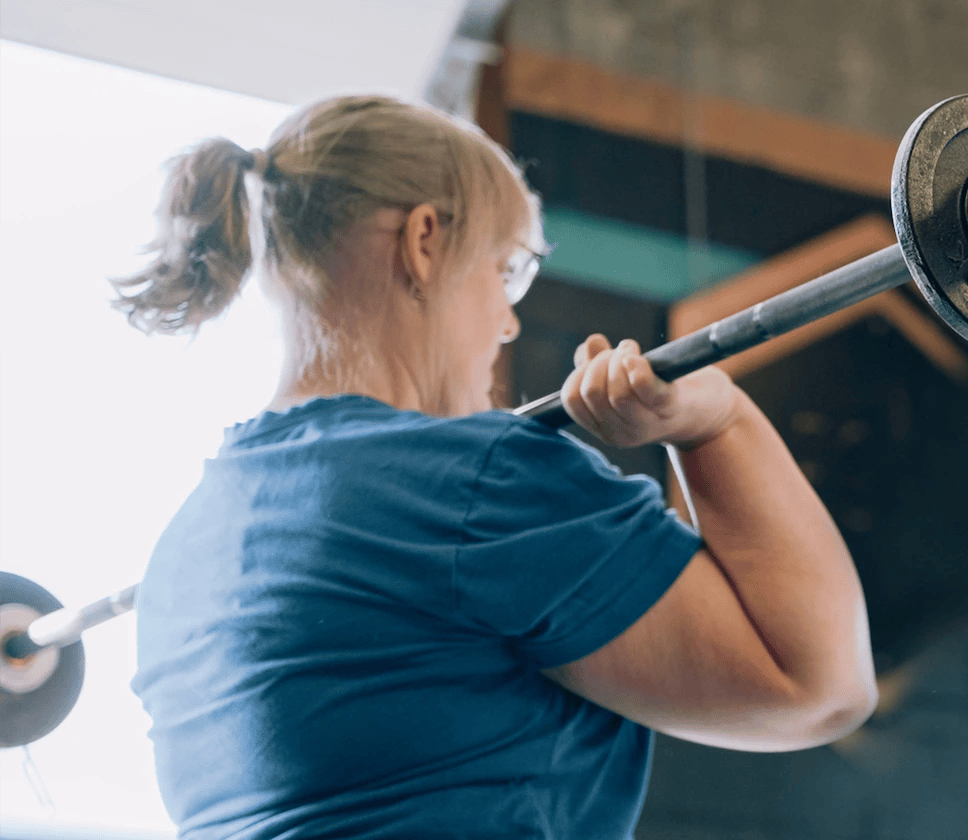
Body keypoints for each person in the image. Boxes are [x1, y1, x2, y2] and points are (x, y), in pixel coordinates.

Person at [119, 95, 877, 839]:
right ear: (423, 241)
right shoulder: (474, 482)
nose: (509, 318)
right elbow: (815, 687)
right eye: (506, 270)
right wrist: (718, 424)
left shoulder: (180, 560)